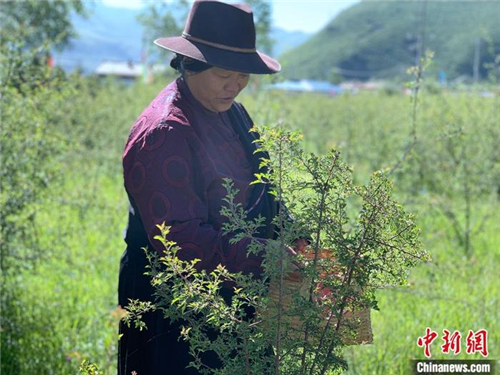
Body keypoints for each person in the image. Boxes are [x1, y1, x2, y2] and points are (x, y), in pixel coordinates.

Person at [118, 1, 306, 374]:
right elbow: (184, 244)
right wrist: (269, 255)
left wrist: (296, 235)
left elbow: (262, 188)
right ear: (189, 64)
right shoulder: (163, 135)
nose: (235, 85)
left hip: (238, 294)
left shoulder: (231, 110)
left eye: (243, 76)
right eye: (224, 74)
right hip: (177, 307)